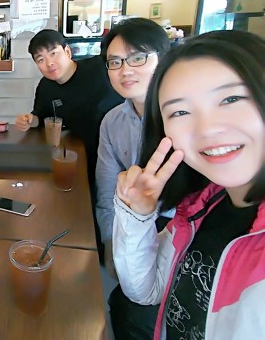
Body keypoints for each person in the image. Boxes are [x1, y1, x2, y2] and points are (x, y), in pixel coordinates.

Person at [113, 30, 264, 339]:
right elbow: (146, 290)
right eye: (180, 112)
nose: (207, 129)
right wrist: (137, 215)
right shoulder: (202, 207)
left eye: (231, 99)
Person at [95, 18, 171, 339]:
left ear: (163, 58)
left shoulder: (185, 115)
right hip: (132, 228)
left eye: (138, 57)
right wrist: (111, 243)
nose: (125, 70)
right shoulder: (112, 122)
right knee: (123, 310)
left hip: (179, 230)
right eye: (115, 62)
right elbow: (106, 189)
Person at [15, 29, 123, 195]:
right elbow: (42, 117)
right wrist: (30, 120)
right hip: (81, 156)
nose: (49, 63)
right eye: (41, 59)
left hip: (118, 152)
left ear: (67, 51)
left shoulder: (99, 68)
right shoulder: (46, 87)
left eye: (53, 53)